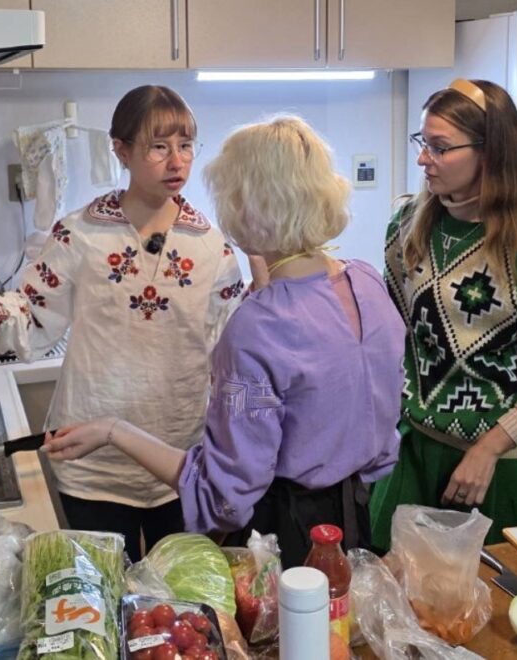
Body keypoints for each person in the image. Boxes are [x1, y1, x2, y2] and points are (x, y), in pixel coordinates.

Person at [43, 115, 406, 568]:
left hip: (284, 544)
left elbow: (224, 494)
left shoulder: (258, 325)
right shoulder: (367, 283)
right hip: (353, 524)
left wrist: (114, 430)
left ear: (244, 207)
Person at [0, 85, 245, 562]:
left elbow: (233, 342)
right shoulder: (79, 233)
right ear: (120, 150)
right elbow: (34, 311)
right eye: (159, 146)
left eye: (185, 146)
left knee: (175, 606)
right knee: (98, 595)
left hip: (179, 457)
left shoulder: (212, 246)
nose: (176, 162)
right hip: (91, 459)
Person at [369, 79, 517, 547]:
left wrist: (488, 449)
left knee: (492, 608)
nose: (422, 158)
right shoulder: (407, 228)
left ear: (489, 154)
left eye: (440, 147)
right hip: (412, 452)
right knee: (394, 603)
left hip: (493, 471)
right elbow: (393, 331)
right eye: (422, 142)